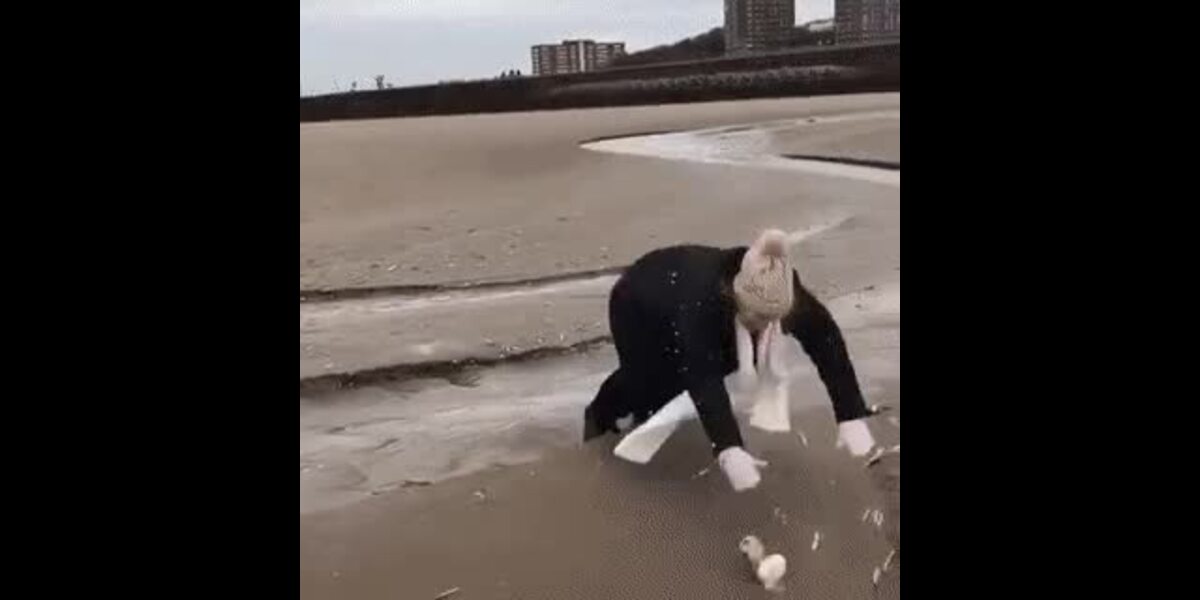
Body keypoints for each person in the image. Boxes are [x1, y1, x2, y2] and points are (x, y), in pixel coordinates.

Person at [583, 229, 876, 491]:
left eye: (772, 320)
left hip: (696, 307)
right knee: (650, 381)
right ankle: (599, 415)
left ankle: (658, 413)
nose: (765, 327)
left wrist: (850, 414)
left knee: (726, 359)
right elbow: (702, 376)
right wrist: (728, 448)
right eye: (758, 319)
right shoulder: (704, 302)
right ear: (735, 297)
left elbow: (826, 341)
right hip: (638, 300)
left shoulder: (783, 291)